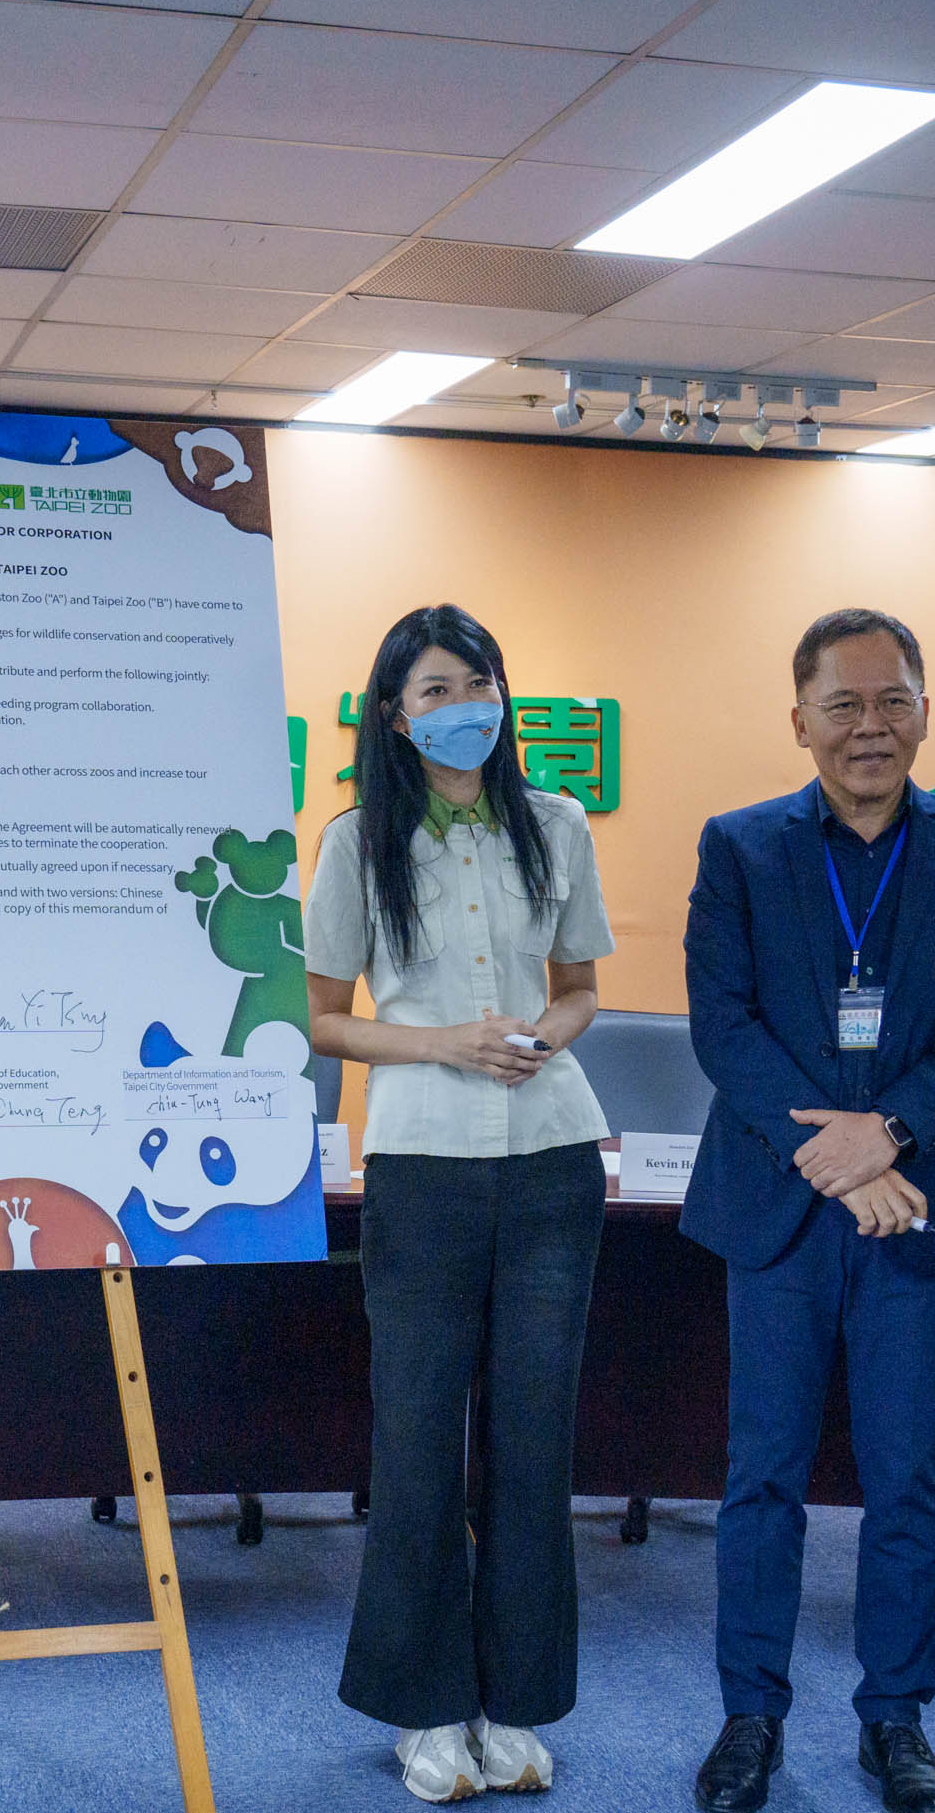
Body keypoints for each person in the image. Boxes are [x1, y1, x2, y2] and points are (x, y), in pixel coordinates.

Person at [683, 609, 935, 1813]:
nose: (868, 726)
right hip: (777, 1211)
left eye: (891, 700)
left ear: (924, 709)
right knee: (759, 1477)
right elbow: (721, 1024)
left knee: (905, 1478)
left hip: (913, 1201)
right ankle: (749, 1717)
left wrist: (882, 1132)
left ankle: (895, 1720)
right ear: (798, 720)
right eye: (842, 704)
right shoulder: (738, 847)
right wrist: (834, 1151)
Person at [305, 604, 618, 1801]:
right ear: (393, 712)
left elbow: (582, 986)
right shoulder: (356, 840)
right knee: (422, 1436)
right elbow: (321, 1013)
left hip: (551, 1159)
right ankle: (427, 1708)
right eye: (433, 689)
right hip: (424, 1163)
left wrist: (545, 1030)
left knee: (534, 1444)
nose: (461, 705)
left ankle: (516, 1707)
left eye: (476, 682)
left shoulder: (554, 823)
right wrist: (441, 1042)